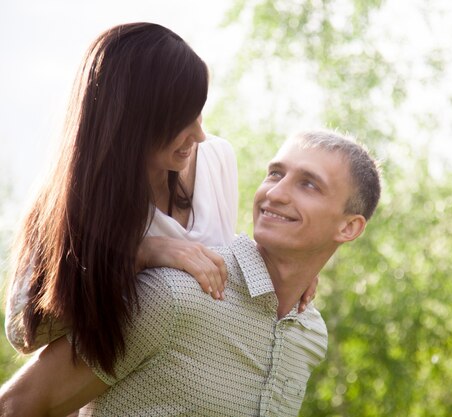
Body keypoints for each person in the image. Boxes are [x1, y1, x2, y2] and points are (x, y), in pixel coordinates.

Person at [3, 22, 315, 377]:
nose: (198, 133)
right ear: (130, 123)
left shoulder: (215, 159)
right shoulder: (70, 201)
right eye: (180, 120)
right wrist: (140, 254)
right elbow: (24, 333)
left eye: (199, 112)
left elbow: (222, 268)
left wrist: (287, 266)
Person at [0, 130, 382, 416]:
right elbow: (19, 406)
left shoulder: (310, 333)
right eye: (274, 174)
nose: (275, 194)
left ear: (349, 228)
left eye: (308, 185)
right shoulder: (177, 294)